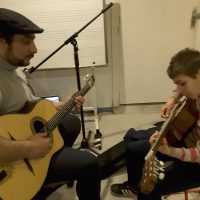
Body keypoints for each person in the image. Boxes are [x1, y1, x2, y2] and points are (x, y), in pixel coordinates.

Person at [0, 8, 101, 200]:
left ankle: (47, 172)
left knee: (71, 122)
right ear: (2, 42)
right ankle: (40, 176)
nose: (35, 49)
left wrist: (60, 106)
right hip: (15, 158)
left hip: (27, 137)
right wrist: (30, 148)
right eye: (26, 41)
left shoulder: (14, 67)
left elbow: (26, 107)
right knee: (91, 164)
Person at [110, 48, 200, 200]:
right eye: (176, 84)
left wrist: (170, 151)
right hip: (185, 137)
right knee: (133, 149)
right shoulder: (194, 85)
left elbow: (198, 155)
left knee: (148, 189)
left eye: (182, 84)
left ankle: (139, 189)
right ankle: (133, 188)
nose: (179, 89)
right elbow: (182, 85)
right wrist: (172, 99)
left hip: (196, 161)